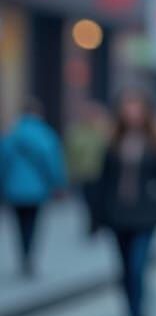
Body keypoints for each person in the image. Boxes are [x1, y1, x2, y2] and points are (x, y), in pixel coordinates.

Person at [94, 86, 156, 316]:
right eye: (127, 107)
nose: (132, 112)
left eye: (136, 107)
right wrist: (96, 217)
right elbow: (103, 181)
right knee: (124, 272)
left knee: (137, 267)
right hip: (118, 215)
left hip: (145, 214)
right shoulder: (113, 141)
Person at [0, 98, 68, 277]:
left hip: (14, 188)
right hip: (37, 189)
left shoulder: (11, 134)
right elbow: (52, 162)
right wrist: (58, 183)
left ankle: (23, 254)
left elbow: (3, 162)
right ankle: (29, 256)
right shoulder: (45, 134)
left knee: (18, 224)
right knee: (33, 223)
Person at [64, 98, 112, 236]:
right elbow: (70, 153)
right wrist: (70, 172)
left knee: (98, 200)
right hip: (84, 174)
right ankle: (92, 223)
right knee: (87, 201)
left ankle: (97, 223)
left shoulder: (105, 129)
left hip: (101, 173)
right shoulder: (77, 131)